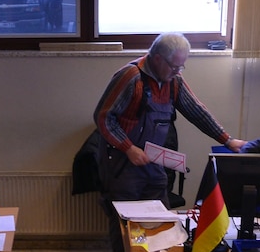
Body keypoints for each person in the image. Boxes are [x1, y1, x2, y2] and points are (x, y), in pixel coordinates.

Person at [92, 33, 246, 202]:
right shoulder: (131, 77)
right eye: (174, 67)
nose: (177, 72)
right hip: (122, 165)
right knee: (126, 223)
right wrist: (128, 148)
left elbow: (196, 111)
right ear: (158, 59)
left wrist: (227, 140)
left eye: (181, 67)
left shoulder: (174, 81)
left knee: (161, 219)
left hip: (153, 162)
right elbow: (103, 118)